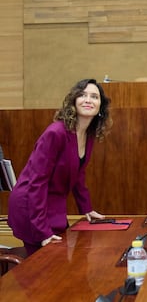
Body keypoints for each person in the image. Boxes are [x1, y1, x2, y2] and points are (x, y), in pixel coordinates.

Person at [7, 79, 112, 256]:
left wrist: (86, 208)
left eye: (94, 96)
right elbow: (37, 183)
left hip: (53, 206)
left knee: (59, 261)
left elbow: (78, 174)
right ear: (73, 101)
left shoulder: (88, 135)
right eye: (82, 95)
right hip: (31, 205)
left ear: (100, 107)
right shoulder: (55, 133)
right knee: (44, 266)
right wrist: (43, 232)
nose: (88, 100)